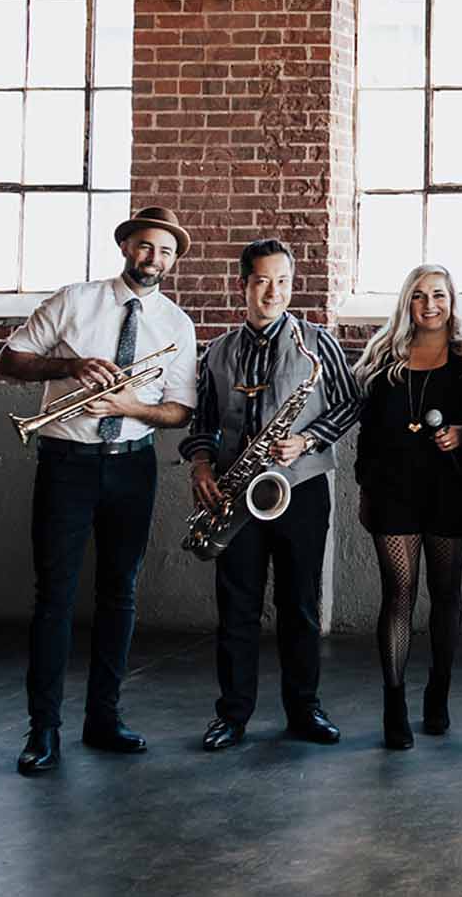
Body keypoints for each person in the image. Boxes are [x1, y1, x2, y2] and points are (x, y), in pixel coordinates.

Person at [0, 206, 199, 776]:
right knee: (54, 597)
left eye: (164, 251)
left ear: (173, 261)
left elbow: (178, 410)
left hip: (131, 466)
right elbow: (8, 359)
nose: (152, 258)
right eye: (144, 246)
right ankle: (43, 730)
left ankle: (103, 718)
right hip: (67, 462)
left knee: (120, 594)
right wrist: (70, 365)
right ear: (125, 247)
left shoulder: (176, 326)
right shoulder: (74, 300)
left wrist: (129, 406)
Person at [184, 238, 360, 753]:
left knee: (299, 604)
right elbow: (204, 422)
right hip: (235, 492)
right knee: (235, 608)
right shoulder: (217, 351)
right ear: (243, 284)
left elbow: (350, 405)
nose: (273, 292)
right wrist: (199, 464)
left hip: (299, 488)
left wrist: (306, 439)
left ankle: (304, 708)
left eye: (282, 282)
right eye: (262, 281)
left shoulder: (317, 343)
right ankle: (232, 714)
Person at [351, 263, 462, 750]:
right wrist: (365, 486)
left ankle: (439, 694)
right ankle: (394, 704)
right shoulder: (383, 360)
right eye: (420, 296)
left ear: (452, 302)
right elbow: (366, 435)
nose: (430, 304)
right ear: (407, 303)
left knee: (445, 593)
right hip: (393, 491)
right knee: (399, 593)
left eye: (440, 295)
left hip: (450, 487)